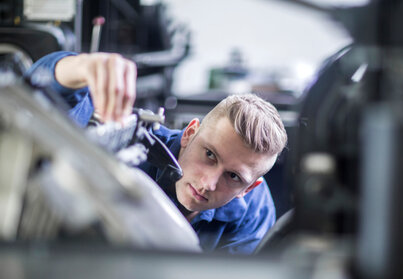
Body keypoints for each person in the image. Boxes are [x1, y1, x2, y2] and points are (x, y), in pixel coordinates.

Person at [27, 51, 288, 255]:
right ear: (189, 133)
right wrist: (79, 68)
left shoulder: (254, 209)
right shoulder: (130, 145)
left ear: (249, 188)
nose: (208, 184)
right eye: (209, 154)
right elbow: (37, 103)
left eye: (233, 177)